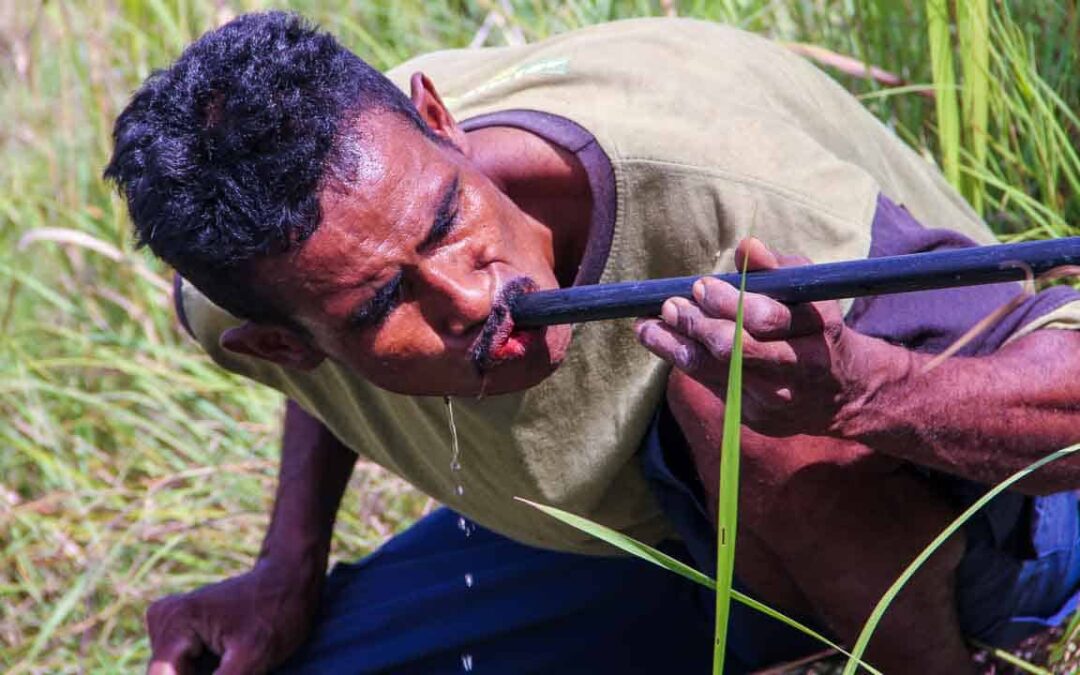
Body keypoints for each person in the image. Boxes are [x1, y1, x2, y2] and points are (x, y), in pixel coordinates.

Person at [104, 11, 1080, 675]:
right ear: (282, 345)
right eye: (378, 308)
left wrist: (867, 394)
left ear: (441, 121)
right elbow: (331, 372)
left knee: (732, 387)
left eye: (449, 218)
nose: (469, 296)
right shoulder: (251, 285)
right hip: (652, 539)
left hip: (986, 513)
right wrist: (285, 566)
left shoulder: (724, 190)